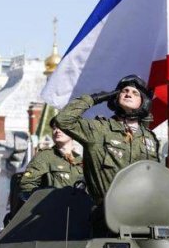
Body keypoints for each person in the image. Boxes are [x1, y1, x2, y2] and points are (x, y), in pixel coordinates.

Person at [55, 75, 160, 205]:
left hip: (140, 212)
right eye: (124, 91)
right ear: (116, 96)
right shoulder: (99, 129)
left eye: (135, 93)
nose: (128, 94)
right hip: (106, 211)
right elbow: (63, 120)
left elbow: (155, 177)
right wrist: (96, 98)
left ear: (143, 102)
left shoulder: (149, 138)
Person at [19, 117, 84, 193]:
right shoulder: (45, 156)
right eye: (54, 128)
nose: (57, 131)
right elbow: (26, 183)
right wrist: (46, 199)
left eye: (62, 128)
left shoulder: (80, 160)